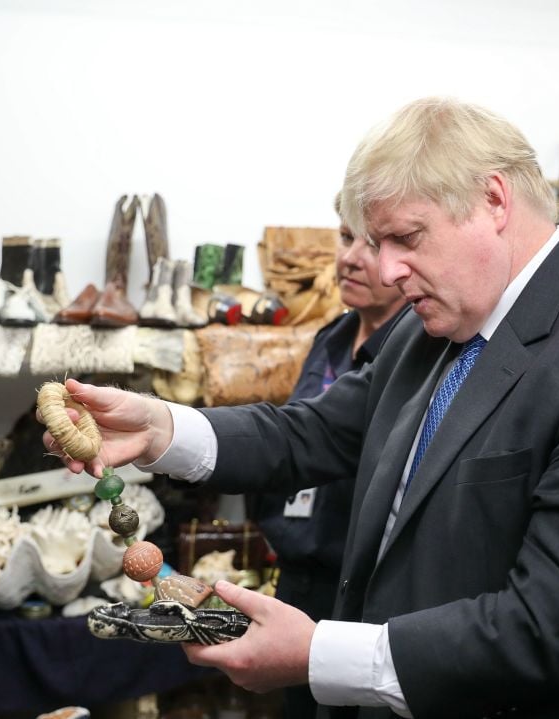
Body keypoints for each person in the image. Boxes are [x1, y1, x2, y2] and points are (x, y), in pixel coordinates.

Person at [43, 97, 559, 719]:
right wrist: (160, 427)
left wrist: (319, 655)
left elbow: (557, 623)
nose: (387, 270)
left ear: (493, 199)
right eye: (374, 243)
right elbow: (310, 433)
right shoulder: (432, 326)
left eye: (406, 238)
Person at [252, 193, 406, 719]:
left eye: (374, 242)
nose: (351, 258)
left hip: (361, 592)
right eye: (345, 238)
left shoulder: (419, 356)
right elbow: (298, 438)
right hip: (300, 575)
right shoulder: (331, 338)